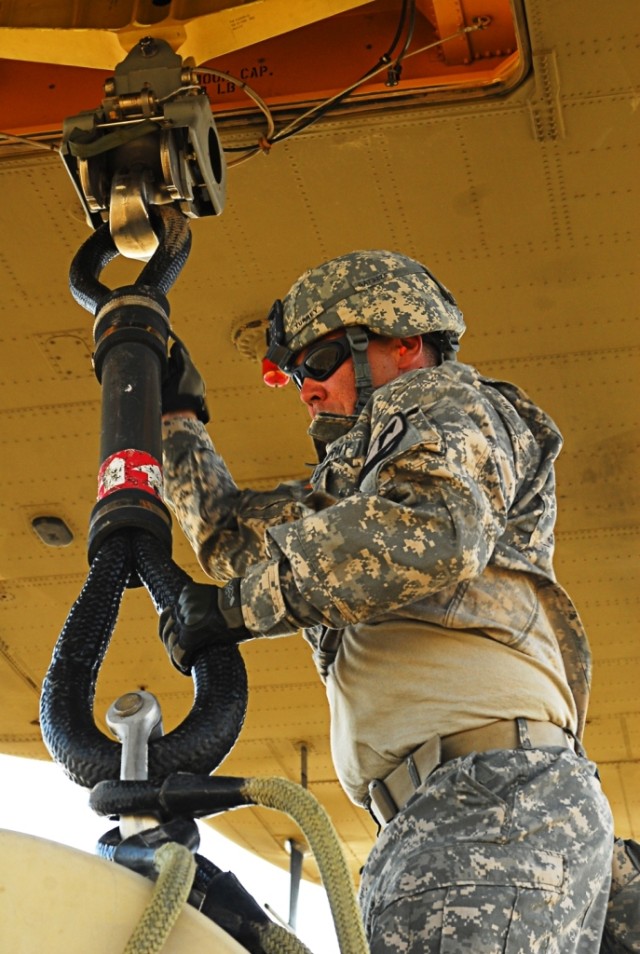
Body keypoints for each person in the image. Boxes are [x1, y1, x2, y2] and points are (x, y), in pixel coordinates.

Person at [160, 249, 615, 952]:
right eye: (295, 375)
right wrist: (173, 420)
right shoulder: (358, 497)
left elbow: (436, 532)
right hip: (445, 814)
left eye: (318, 362)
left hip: (486, 803)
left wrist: (238, 609)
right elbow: (234, 545)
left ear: (404, 344)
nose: (305, 390)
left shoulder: (448, 406)